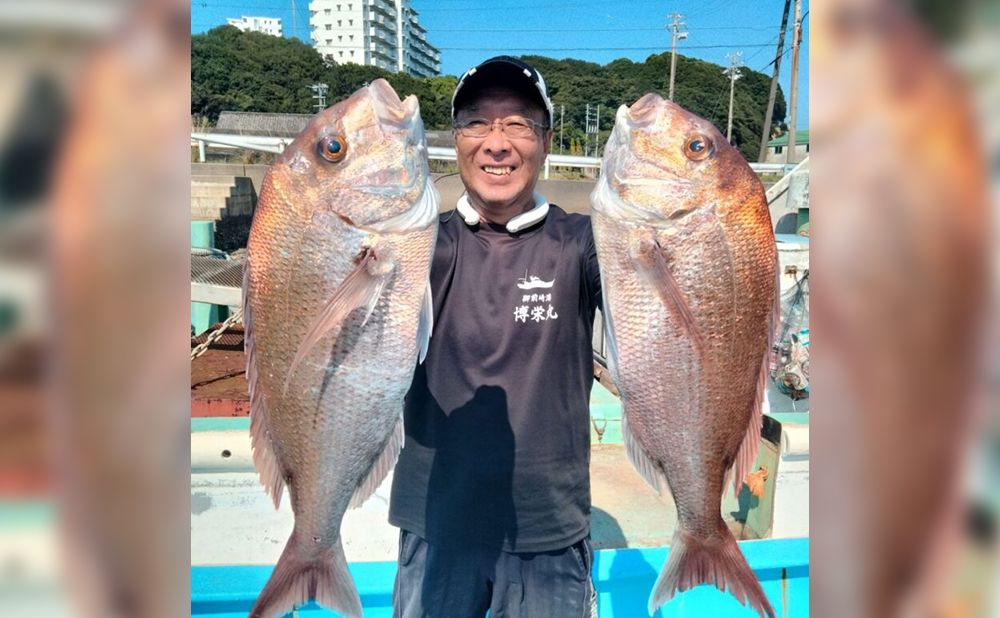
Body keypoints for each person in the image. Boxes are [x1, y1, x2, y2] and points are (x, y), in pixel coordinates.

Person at [389, 56, 603, 617]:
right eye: (478, 123)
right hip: (434, 523)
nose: (497, 143)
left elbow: (664, 291)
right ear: (455, 141)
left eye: (518, 125)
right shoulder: (417, 246)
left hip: (550, 530)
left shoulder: (580, 242)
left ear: (546, 141)